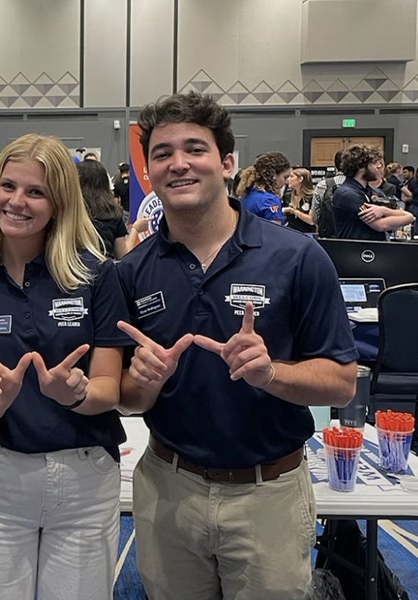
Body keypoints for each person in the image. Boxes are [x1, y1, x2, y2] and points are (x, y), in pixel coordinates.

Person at [116, 91, 358, 600]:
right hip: (168, 486)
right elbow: (128, 400)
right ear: (149, 173)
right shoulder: (132, 273)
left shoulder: (297, 257)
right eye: (162, 153)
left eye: (194, 149)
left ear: (227, 162)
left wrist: (271, 374)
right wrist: (141, 383)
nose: (178, 163)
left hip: (268, 492)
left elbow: (341, 384)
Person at [0, 133, 131, 600]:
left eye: (36, 192)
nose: (17, 201)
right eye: (8, 186)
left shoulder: (96, 276)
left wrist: (76, 394)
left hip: (86, 476)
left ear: (59, 203)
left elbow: (111, 390)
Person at [331, 144, 415, 241]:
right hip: (355, 252)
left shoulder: (371, 191)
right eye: (375, 163)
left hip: (373, 250)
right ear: (361, 167)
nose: (380, 166)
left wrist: (384, 210)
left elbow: (390, 214)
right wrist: (409, 217)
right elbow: (380, 224)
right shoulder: (347, 194)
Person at [77, 159, 131, 259]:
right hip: (105, 270)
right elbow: (123, 256)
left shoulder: (70, 214)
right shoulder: (113, 214)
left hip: (74, 270)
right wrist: (135, 230)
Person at [235, 151, 291, 225]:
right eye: (285, 177)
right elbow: (274, 233)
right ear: (273, 175)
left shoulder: (246, 194)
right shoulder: (270, 200)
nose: (286, 182)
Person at [282, 167, 316, 233]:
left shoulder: (312, 196)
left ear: (300, 179)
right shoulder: (287, 196)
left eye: (291, 176)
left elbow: (311, 221)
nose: (288, 179)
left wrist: (294, 211)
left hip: (307, 234)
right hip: (290, 232)